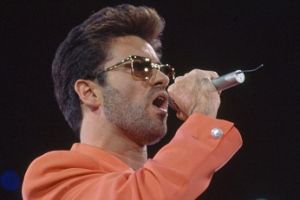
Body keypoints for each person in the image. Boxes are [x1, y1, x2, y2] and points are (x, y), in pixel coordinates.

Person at [22, 4, 242, 200]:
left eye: (161, 69)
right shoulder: (51, 179)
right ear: (89, 92)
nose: (163, 78)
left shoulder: (179, 183)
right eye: (140, 67)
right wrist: (201, 116)